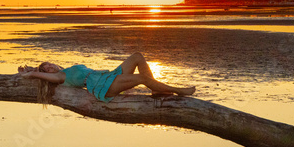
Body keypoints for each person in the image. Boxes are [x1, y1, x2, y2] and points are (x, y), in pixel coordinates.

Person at [18, 52, 195, 105]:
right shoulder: (59, 77)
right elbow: (35, 74)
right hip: (101, 86)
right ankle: (178, 91)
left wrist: (30, 67)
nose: (49, 68)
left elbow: (35, 70)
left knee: (137, 57)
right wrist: (30, 73)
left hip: (106, 76)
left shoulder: (68, 69)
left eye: (48, 64)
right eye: (46, 70)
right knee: (140, 78)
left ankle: (156, 89)